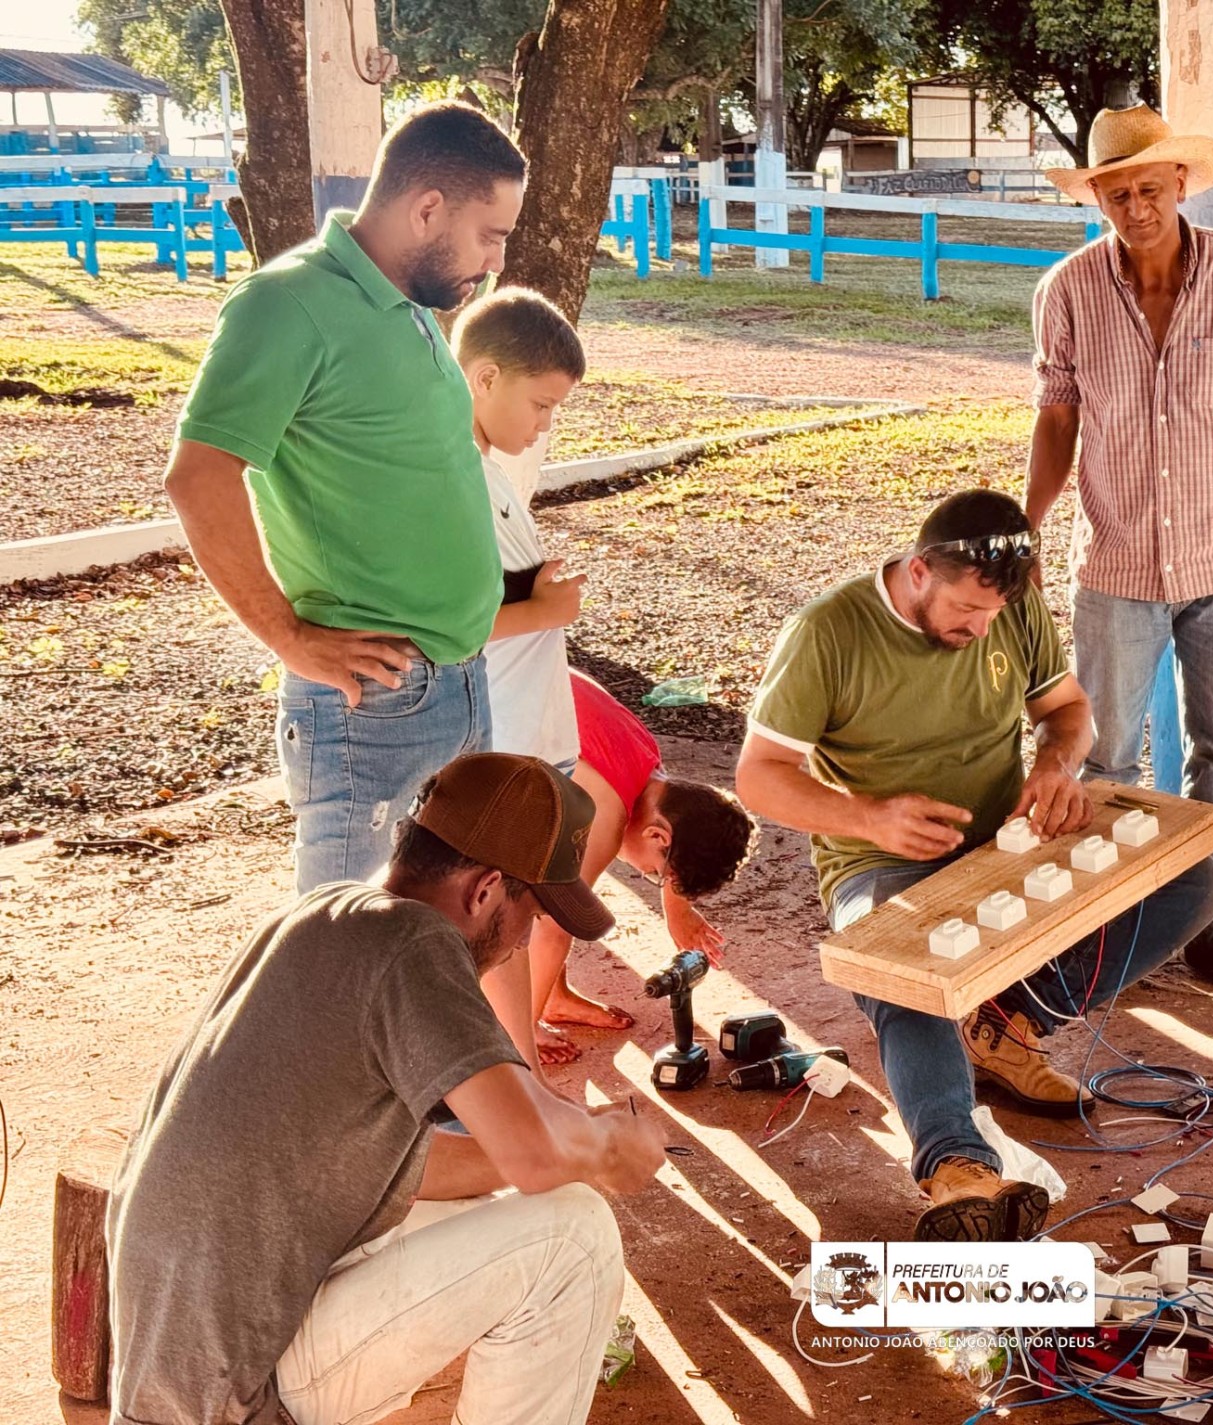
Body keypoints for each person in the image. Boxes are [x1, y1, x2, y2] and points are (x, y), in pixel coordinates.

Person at [106, 753, 669, 1425]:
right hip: (234, 1389)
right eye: (533, 913)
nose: (523, 943)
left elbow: (400, 1168)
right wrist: (611, 1145)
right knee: (574, 1234)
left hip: (178, 1369)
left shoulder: (320, 915)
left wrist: (574, 1144)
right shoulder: (415, 942)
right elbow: (533, 1155)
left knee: (499, 1206)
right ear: (486, 890)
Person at [735, 489, 1213, 1242]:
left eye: (994, 613)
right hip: (879, 858)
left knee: (1193, 882)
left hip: (1006, 837)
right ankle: (958, 1166)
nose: (981, 627)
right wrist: (870, 816)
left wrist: (1055, 764)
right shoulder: (827, 631)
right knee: (902, 973)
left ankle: (1006, 1023)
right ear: (918, 571)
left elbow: (1068, 711)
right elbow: (758, 776)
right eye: (966, 608)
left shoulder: (1008, 606)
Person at [164, 101, 528, 891]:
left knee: (439, 927)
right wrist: (289, 638)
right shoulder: (286, 303)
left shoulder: (414, 307)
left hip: (459, 680)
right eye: (489, 234)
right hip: (376, 699)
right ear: (426, 209)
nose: (496, 260)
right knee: (337, 939)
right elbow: (198, 477)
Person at [1026, 103, 1213, 994]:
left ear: (1180, 183)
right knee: (1105, 756)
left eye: (1149, 189)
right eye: (1117, 195)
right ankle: (1109, 929)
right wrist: (1025, 525)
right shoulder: (1067, 290)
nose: (1136, 208)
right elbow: (1057, 417)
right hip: (1115, 560)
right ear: (1098, 200)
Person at [486, 669, 755, 1067]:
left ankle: (553, 997)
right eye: (656, 874)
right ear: (657, 836)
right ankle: (518, 1024)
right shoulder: (605, 815)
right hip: (483, 707)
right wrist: (523, 1030)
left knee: (560, 878)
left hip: (518, 686)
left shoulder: (651, 771)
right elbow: (553, 927)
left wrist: (678, 907)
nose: (652, 876)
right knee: (551, 904)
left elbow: (680, 834)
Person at [454, 285, 590, 772]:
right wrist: (542, 611)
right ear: (486, 378)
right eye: (541, 404)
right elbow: (436, 629)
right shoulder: (453, 482)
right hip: (498, 752)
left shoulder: (488, 473)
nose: (546, 424)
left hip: (532, 741)